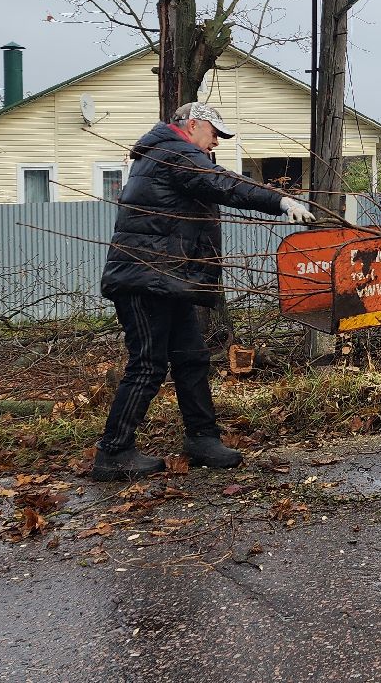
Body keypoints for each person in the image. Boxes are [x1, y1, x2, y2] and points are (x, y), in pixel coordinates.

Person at [91, 101, 302, 481]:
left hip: (169, 279)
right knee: (147, 364)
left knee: (191, 359)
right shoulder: (173, 152)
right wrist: (279, 200)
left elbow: (216, 179)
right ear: (192, 125)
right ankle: (113, 452)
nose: (216, 144)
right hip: (146, 279)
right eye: (214, 134)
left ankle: (202, 438)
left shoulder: (170, 152)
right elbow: (222, 183)